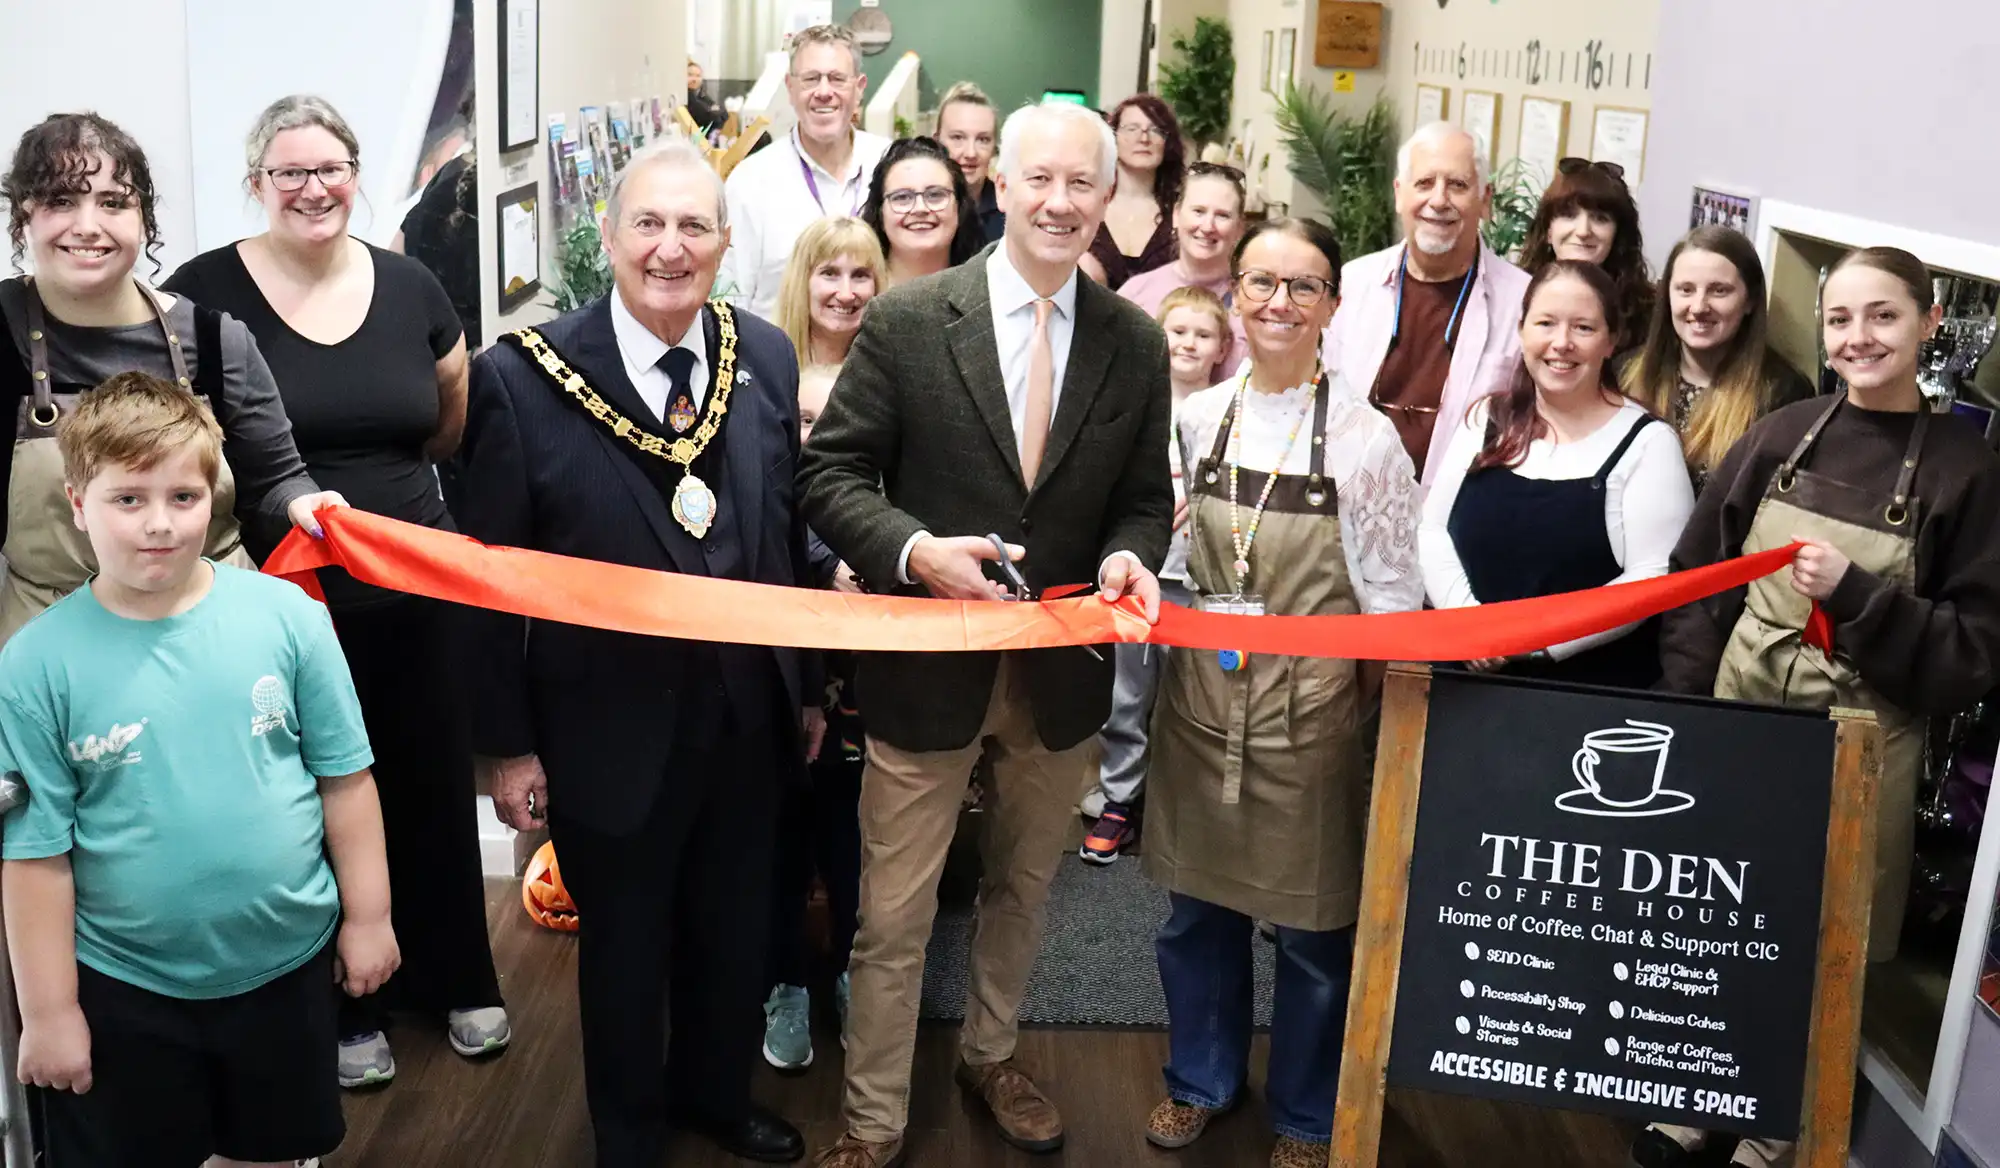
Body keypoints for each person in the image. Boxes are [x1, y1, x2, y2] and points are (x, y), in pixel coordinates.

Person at [798, 99, 1173, 1168]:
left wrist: (1127, 553)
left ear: (1105, 201)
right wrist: (915, 551)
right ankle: (871, 1115)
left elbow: (1143, 499)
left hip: (1061, 672)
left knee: (1023, 887)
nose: (1059, 202)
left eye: (1081, 185)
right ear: (996, 189)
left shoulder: (1133, 344)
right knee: (896, 909)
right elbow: (828, 474)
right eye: (1037, 180)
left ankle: (990, 1050)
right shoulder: (915, 321)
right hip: (929, 665)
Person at [457, 138, 817, 1167]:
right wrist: (507, 748)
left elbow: (781, 536)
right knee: (623, 948)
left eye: (693, 226)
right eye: (647, 225)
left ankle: (714, 1095)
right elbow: (488, 585)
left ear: (724, 239)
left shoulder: (763, 356)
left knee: (732, 928)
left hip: (748, 714)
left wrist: (805, 692)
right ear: (607, 237)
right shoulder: (521, 379)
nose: (670, 248)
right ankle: (628, 1129)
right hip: (604, 728)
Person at [161, 94, 505, 1091]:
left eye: (330, 168)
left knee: (430, 780)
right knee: (305, 798)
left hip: (412, 580)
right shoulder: (202, 294)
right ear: (256, 184)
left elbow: (446, 419)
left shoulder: (410, 285)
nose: (313, 188)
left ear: (357, 173)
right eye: (289, 172)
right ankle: (345, 1005)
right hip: (277, 599)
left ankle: (456, 976)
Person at [1640, 248, 2000, 1168]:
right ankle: (1697, 1090)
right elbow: (1696, 583)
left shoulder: (1968, 472)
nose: (1858, 338)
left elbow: (1975, 656)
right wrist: (1693, 716)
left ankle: (1774, 1125)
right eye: (1840, 319)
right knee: (1714, 921)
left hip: (1861, 750)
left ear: (1927, 324)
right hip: (1743, 726)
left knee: (1820, 947)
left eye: (1882, 317)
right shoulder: (1783, 434)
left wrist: (1859, 599)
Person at [0, 372, 396, 1167]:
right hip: (125, 986)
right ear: (78, 504)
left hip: (285, 968)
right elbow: (35, 856)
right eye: (128, 499)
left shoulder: (290, 618)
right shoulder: (34, 664)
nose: (159, 524)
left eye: (184, 497)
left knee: (273, 1153)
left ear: (215, 494)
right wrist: (49, 1012)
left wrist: (369, 917)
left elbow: (346, 781)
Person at [1144, 218, 1420, 1168]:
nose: (1279, 304)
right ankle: (1201, 1081)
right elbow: (1176, 563)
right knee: (1195, 915)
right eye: (1263, 283)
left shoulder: (1365, 438)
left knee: (1312, 931)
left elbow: (1393, 600)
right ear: (1235, 296)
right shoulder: (1198, 416)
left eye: (1304, 288)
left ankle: (1306, 1115)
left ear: (1332, 309)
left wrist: (1371, 729)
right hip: (1202, 703)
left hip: (1311, 716)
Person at [0, 113, 342, 646]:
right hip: (51, 643)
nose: (88, 225)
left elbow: (276, 481)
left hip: (214, 634)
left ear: (144, 220)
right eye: (61, 201)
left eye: (114, 202)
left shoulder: (215, 340)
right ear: (24, 217)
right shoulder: (2, 333)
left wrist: (305, 504)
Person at [1420, 260, 1694, 688]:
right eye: (1546, 323)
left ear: (1612, 341)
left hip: (1580, 700)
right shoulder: (1486, 418)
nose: (1561, 343)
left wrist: (1532, 643)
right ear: (1522, 330)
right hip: (1460, 680)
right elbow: (1432, 530)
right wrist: (1469, 624)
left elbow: (1651, 577)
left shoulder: (1648, 443)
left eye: (1583, 328)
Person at [762, 214, 884, 1072]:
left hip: (865, 651)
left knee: (854, 825)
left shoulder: (892, 375)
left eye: (861, 276)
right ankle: (786, 982)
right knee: (778, 824)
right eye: (828, 273)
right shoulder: (765, 373)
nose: (844, 292)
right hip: (778, 629)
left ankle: (847, 969)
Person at [1078, 284, 1230, 861]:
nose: (1189, 343)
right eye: (1178, 331)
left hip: (1200, 579)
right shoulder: (1137, 404)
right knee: (1126, 693)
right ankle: (1119, 798)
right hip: (1139, 572)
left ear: (1223, 345)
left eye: (1203, 333)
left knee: (1194, 694)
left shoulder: (1227, 411)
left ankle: (1182, 804)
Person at [1324, 121, 1533, 485]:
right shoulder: (1354, 282)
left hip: (1456, 515)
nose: (1439, 200)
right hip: (1346, 502)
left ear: (1484, 200)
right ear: (1399, 194)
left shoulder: (1523, 301)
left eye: (1458, 185)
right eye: (1424, 183)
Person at [1620, 225, 1816, 488]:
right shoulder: (1623, 372)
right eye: (1685, 290)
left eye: (1719, 290)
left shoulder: (1782, 395)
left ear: (1750, 301)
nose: (1699, 307)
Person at [721, 24, 889, 318]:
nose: (824, 92)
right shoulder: (750, 182)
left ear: (859, 88)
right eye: (811, 79)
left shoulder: (889, 165)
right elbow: (732, 301)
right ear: (790, 88)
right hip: (781, 359)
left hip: (877, 357)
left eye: (837, 78)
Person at [1111, 160, 1251, 398]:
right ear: (1176, 215)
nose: (1207, 226)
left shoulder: (1253, 303)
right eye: (1198, 211)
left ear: (1239, 228)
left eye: (1223, 215)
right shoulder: (1135, 295)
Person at [1515, 157, 1652, 353]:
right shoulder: (1513, 295)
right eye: (1569, 215)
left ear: (1618, 235)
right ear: (1548, 230)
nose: (1583, 231)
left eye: (1600, 219)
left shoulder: (1646, 314)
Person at [1081, 94, 1185, 290]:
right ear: (1113, 138)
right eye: (1132, 129)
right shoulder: (1087, 204)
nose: (1143, 138)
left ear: (1167, 141)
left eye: (1155, 130)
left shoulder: (1182, 211)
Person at [859, 136, 983, 289]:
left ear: (959, 207)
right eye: (902, 197)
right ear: (880, 212)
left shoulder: (987, 293)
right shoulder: (853, 295)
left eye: (935, 195)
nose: (920, 208)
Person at [937, 83, 1005, 244]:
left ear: (994, 147)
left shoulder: (1009, 213)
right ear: (936, 141)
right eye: (958, 137)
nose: (970, 153)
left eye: (983, 140)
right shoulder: (920, 211)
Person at [687, 56, 726, 137]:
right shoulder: (687, 96)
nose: (694, 79)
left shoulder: (700, 94)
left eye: (698, 76)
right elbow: (707, 114)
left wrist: (715, 111)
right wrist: (713, 111)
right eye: (690, 75)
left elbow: (724, 113)